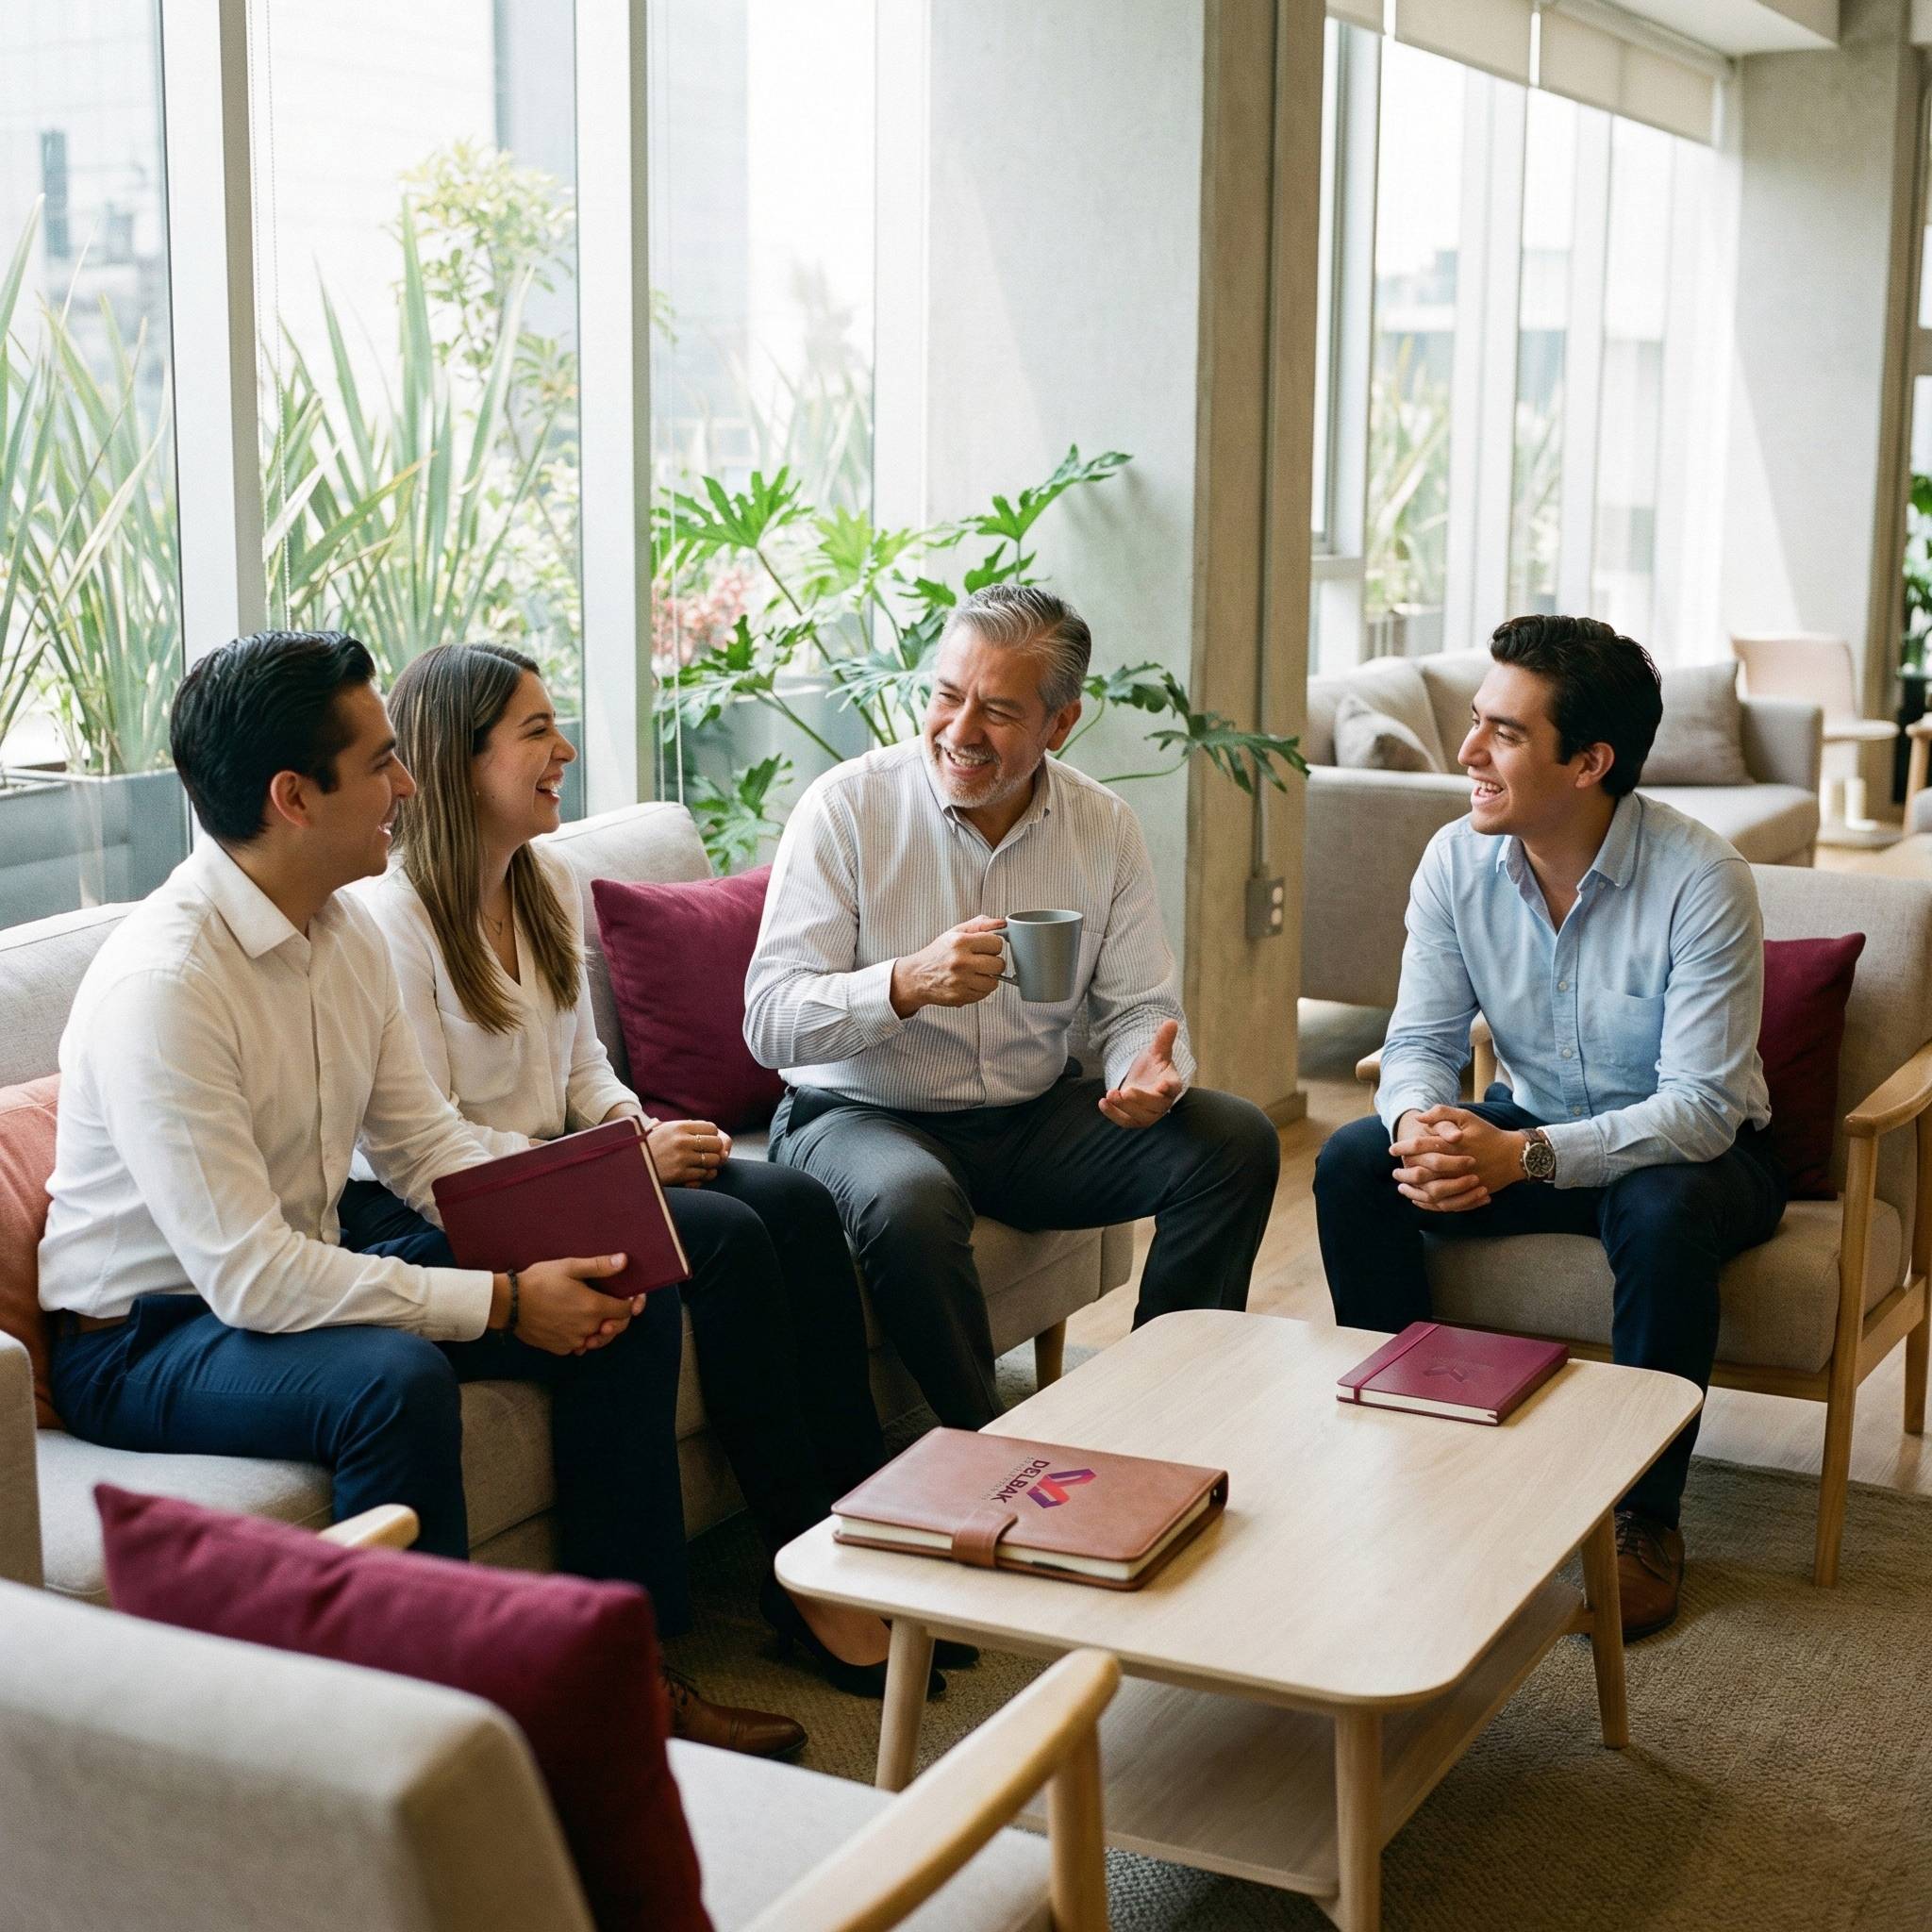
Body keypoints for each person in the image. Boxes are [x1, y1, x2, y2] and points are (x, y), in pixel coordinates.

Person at [37, 630, 801, 1757]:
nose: (407, 784)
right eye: (381, 761)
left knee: (619, 1286)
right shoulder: (170, 983)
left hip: (292, 1272)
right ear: (294, 796)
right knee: (389, 1383)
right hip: (147, 1336)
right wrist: (504, 1300)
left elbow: (423, 1148)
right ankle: (431, 1748)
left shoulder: (342, 929)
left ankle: (620, 1686)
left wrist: (581, 1222)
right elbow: (250, 1277)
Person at [352, 641, 968, 1698]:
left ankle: (862, 1530)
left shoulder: (541, 880)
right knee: (722, 1238)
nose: (565, 750)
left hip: (566, 1171)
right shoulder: (391, 922)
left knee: (793, 1201)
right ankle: (798, 1572)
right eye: (537, 732)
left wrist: (631, 1127)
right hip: (454, 1204)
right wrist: (624, 1162)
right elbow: (422, 1144)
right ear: (461, 759)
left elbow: (581, 1064)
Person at [1313, 613, 1788, 1639]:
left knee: (1660, 1211)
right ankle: (1412, 1441)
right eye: (1474, 721)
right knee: (1355, 1160)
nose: (1467, 752)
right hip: (1532, 1124)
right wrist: (1419, 1126)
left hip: (1696, 1155)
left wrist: (1520, 1156)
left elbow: (1700, 1107)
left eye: (1504, 733)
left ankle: (1642, 1519)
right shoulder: (1454, 861)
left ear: (1589, 762)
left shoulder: (1701, 878)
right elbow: (1416, 1042)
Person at [743, 582, 1282, 1428]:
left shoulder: (1102, 827)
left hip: (1028, 1121)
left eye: (997, 711)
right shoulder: (847, 808)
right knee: (909, 1202)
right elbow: (768, 1018)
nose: (960, 731)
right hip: (858, 1115)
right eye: (947, 696)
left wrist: (1148, 1070)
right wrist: (903, 983)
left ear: (1059, 724)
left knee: (1235, 1139)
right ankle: (985, 1442)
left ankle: (1163, 1413)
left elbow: (1139, 1007)